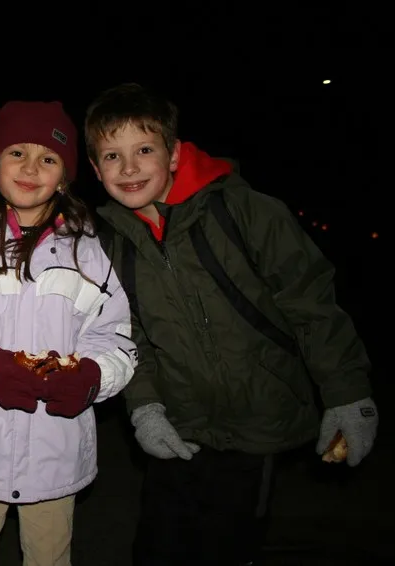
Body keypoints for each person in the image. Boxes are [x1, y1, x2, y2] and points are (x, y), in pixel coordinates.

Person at [86, 83, 378, 565]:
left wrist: (348, 394)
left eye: (144, 150)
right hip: (178, 425)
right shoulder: (111, 243)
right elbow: (129, 335)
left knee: (228, 546)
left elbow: (310, 303)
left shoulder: (246, 211)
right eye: (112, 156)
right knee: (157, 548)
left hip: (256, 420)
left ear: (174, 154)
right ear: (96, 170)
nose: (130, 167)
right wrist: (145, 408)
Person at [0, 101, 137, 566]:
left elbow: (115, 336)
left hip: (55, 453)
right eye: (17, 153)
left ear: (65, 177)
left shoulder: (90, 253)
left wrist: (92, 377)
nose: (31, 168)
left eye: (48, 158)